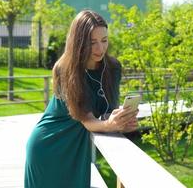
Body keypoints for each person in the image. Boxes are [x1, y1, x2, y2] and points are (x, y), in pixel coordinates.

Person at [24, 10, 138, 188]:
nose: (100, 49)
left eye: (104, 40)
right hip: (48, 147)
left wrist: (121, 119)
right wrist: (111, 125)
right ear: (79, 43)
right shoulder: (65, 70)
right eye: (92, 43)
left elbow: (107, 111)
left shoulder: (113, 68)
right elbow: (88, 120)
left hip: (77, 149)